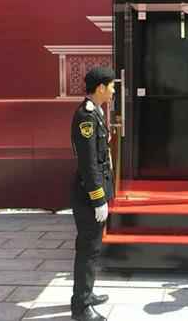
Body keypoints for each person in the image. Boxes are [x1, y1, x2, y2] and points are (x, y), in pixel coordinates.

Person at [70, 67, 116, 321]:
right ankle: (81, 306)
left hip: (94, 191)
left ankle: (87, 293)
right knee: (88, 250)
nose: (113, 91)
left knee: (93, 248)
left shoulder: (95, 111)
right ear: (100, 88)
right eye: (112, 86)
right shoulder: (85, 117)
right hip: (88, 195)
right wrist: (98, 199)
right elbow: (88, 164)